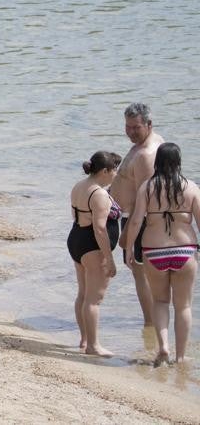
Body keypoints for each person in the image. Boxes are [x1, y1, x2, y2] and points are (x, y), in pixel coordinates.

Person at [123, 143, 200, 366]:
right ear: (178, 162)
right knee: (183, 305)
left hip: (153, 251)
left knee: (160, 301)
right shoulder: (191, 187)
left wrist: (129, 248)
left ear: (157, 161)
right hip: (184, 251)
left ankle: (164, 347)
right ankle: (181, 356)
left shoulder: (147, 187)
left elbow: (136, 220)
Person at [110, 103, 165, 325]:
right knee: (140, 273)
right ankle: (152, 324)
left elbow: (146, 199)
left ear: (149, 125)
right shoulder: (149, 142)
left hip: (137, 220)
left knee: (141, 273)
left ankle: (150, 325)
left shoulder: (145, 154)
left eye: (136, 127)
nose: (130, 132)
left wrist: (129, 237)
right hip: (130, 217)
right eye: (127, 127)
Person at [68, 150, 122, 357]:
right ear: (105, 171)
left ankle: (84, 340)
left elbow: (75, 214)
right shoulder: (98, 193)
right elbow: (100, 228)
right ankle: (93, 345)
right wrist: (109, 259)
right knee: (94, 299)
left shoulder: (79, 186)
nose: (116, 174)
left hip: (76, 238)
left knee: (83, 293)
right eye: (114, 170)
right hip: (92, 245)